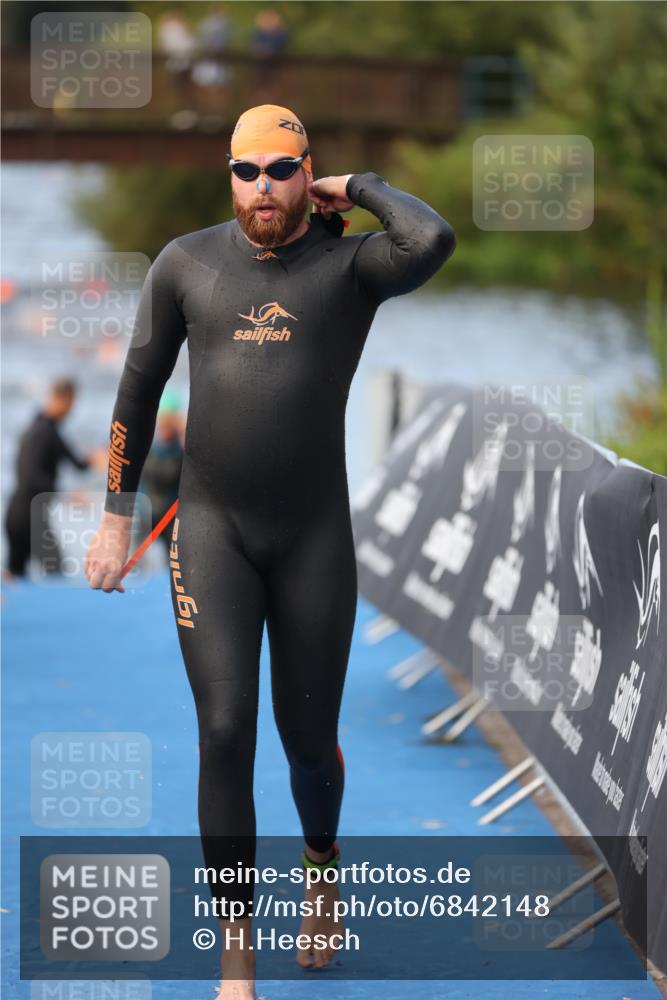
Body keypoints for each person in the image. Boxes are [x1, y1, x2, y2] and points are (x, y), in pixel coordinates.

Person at [84, 103, 456, 999]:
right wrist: (112, 515)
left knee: (308, 747)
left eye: (281, 170)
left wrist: (357, 191)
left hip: (314, 539)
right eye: (245, 170)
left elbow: (431, 238)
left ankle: (321, 867)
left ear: (306, 172)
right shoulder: (186, 263)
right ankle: (237, 954)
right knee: (222, 730)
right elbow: (138, 388)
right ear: (228, 173)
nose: (261, 187)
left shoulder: (350, 264)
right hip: (211, 530)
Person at [4, 378, 94, 578]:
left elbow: (79, 465)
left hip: (28, 514)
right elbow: (31, 476)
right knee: (53, 572)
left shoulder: (51, 430)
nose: (72, 409)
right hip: (25, 515)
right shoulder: (41, 432)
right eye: (71, 403)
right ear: (62, 398)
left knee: (19, 576)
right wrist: (68, 495)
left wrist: (95, 458)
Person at [137, 388, 184, 556]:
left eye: (170, 419)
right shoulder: (148, 448)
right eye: (163, 419)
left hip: (170, 516)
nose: (165, 423)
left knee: (174, 560)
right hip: (146, 512)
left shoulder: (182, 451)